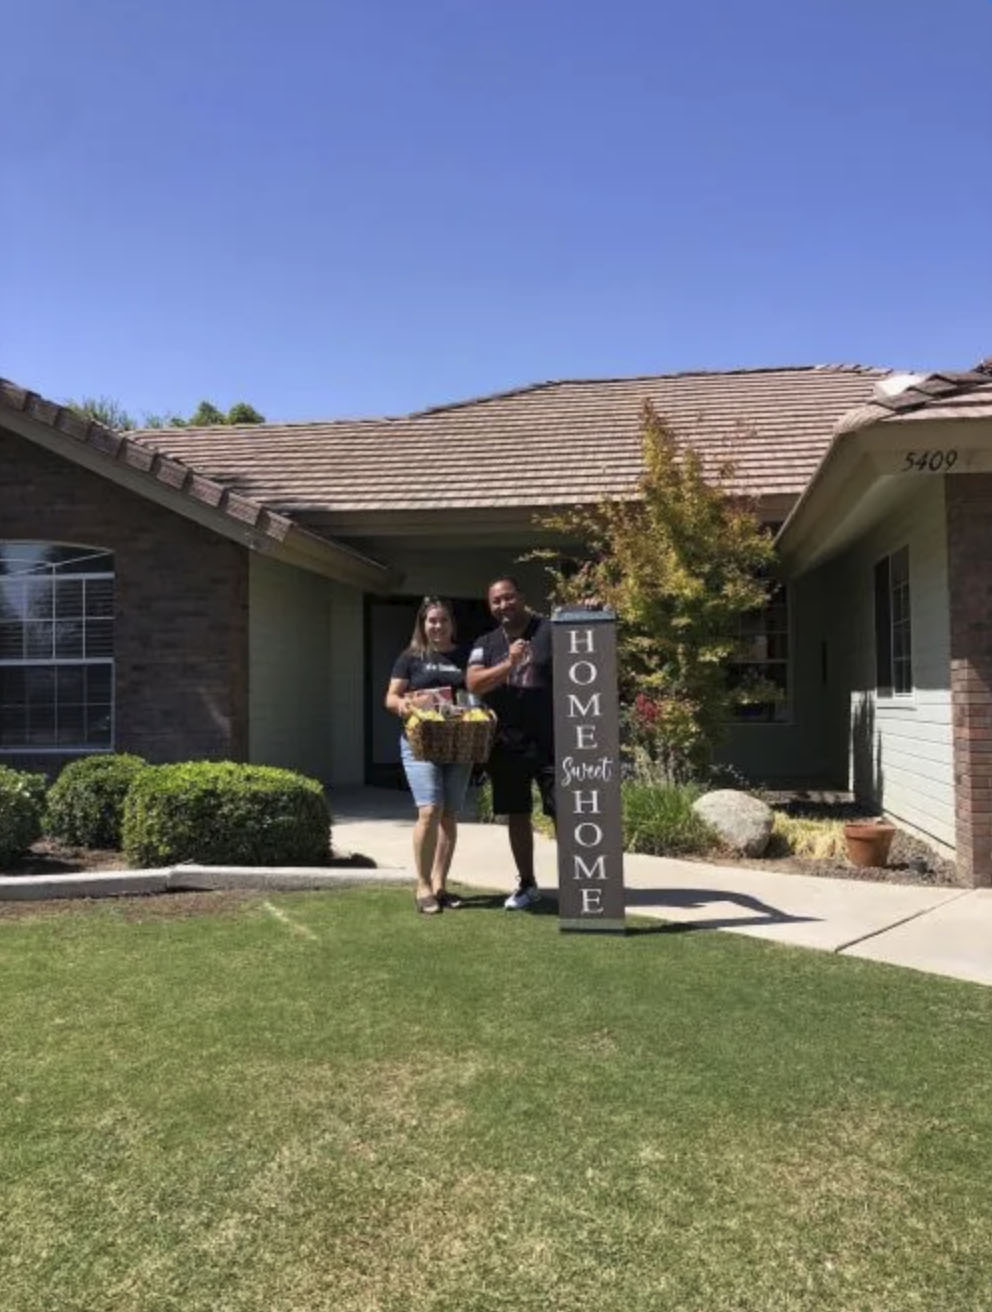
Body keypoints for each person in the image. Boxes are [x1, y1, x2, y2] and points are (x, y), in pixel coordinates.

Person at [466, 576, 554, 910]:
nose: (503, 605)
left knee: (565, 812)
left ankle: (579, 882)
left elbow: (586, 647)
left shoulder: (550, 631)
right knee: (516, 815)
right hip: (507, 743)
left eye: (508, 598)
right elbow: (473, 682)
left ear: (521, 597)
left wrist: (590, 611)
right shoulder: (487, 643)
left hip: (552, 740)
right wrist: (509, 664)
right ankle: (527, 884)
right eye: (496, 601)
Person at [384, 597, 472, 915]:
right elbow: (391, 698)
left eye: (443, 620)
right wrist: (405, 705)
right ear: (423, 624)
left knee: (448, 814)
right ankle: (421, 885)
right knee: (429, 809)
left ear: (452, 624)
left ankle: (440, 885)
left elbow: (474, 694)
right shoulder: (411, 657)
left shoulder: (465, 656)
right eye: (431, 621)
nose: (437, 626)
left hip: (459, 743)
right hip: (419, 742)